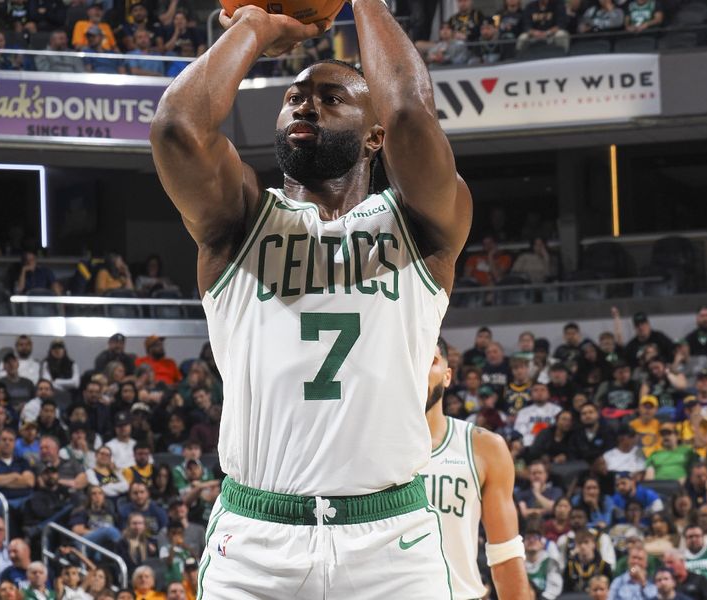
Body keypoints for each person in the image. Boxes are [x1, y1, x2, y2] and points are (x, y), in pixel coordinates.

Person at [152, 2, 474, 596]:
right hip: (255, 545)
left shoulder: (422, 225)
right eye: (294, 97)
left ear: (375, 136)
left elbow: (408, 110)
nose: (305, 104)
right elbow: (177, 128)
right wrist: (256, 26)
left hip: (391, 544)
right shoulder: (240, 220)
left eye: (332, 98)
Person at [420, 339, 526, 598]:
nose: (418, 364)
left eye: (429, 359)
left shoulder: (484, 447)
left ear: (447, 377)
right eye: (410, 354)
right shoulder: (368, 447)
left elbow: (506, 556)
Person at [0, 428, 35, 514]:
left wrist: (1, 480)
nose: (7, 442)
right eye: (4, 439)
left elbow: (29, 482)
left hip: (24, 499)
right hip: (1, 500)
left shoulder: (22, 461)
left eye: (11, 440)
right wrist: (15, 476)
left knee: (35, 503)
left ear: (14, 443)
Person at [564, 528, 614, 593]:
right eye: (579, 543)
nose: (582, 546)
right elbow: (565, 592)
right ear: (575, 545)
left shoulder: (603, 565)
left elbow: (610, 590)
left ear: (593, 544)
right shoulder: (570, 566)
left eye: (586, 542)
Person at [524, 525, 563, 599]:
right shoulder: (519, 565)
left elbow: (554, 589)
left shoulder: (550, 562)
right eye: (528, 538)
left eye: (535, 538)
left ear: (542, 544)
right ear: (523, 544)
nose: (531, 540)